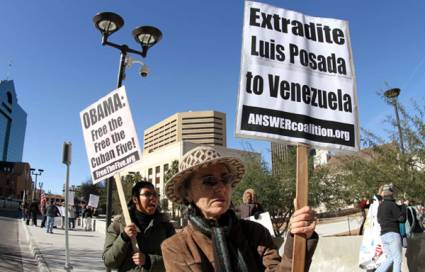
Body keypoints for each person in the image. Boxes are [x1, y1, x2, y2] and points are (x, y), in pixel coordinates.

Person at [161, 145, 318, 271]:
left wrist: (299, 237)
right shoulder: (176, 247)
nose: (221, 187)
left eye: (225, 179)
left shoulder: (255, 232)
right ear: (187, 193)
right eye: (209, 181)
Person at [103, 181, 175, 272]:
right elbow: (109, 262)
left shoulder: (166, 226)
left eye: (155, 195)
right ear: (135, 199)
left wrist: (148, 260)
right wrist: (124, 237)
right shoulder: (118, 225)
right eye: (147, 194)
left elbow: (176, 259)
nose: (153, 198)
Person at [376, 184, 406, 272]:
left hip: (383, 235)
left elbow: (378, 220)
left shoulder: (380, 206)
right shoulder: (392, 204)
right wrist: (403, 208)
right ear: (391, 193)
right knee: (397, 259)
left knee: (390, 259)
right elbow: (402, 219)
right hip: (393, 235)